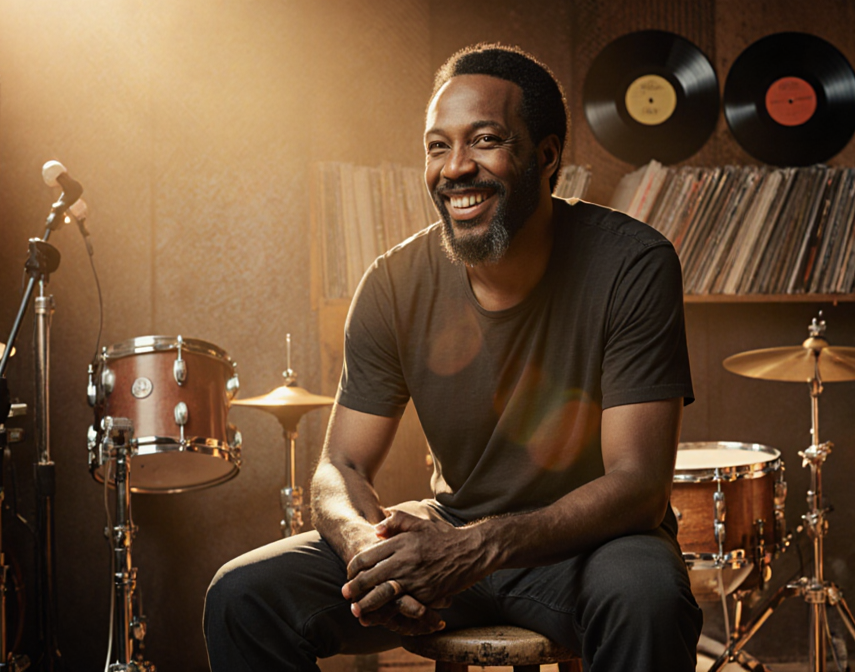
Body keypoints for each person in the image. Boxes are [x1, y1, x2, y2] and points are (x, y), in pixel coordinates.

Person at [204, 43, 702, 671]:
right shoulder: (393, 282)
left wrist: (480, 545)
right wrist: (365, 550)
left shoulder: (632, 264)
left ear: (546, 157)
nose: (455, 168)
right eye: (438, 147)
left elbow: (639, 486)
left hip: (586, 551)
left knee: (649, 597)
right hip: (449, 538)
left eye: (485, 140)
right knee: (242, 596)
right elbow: (340, 463)